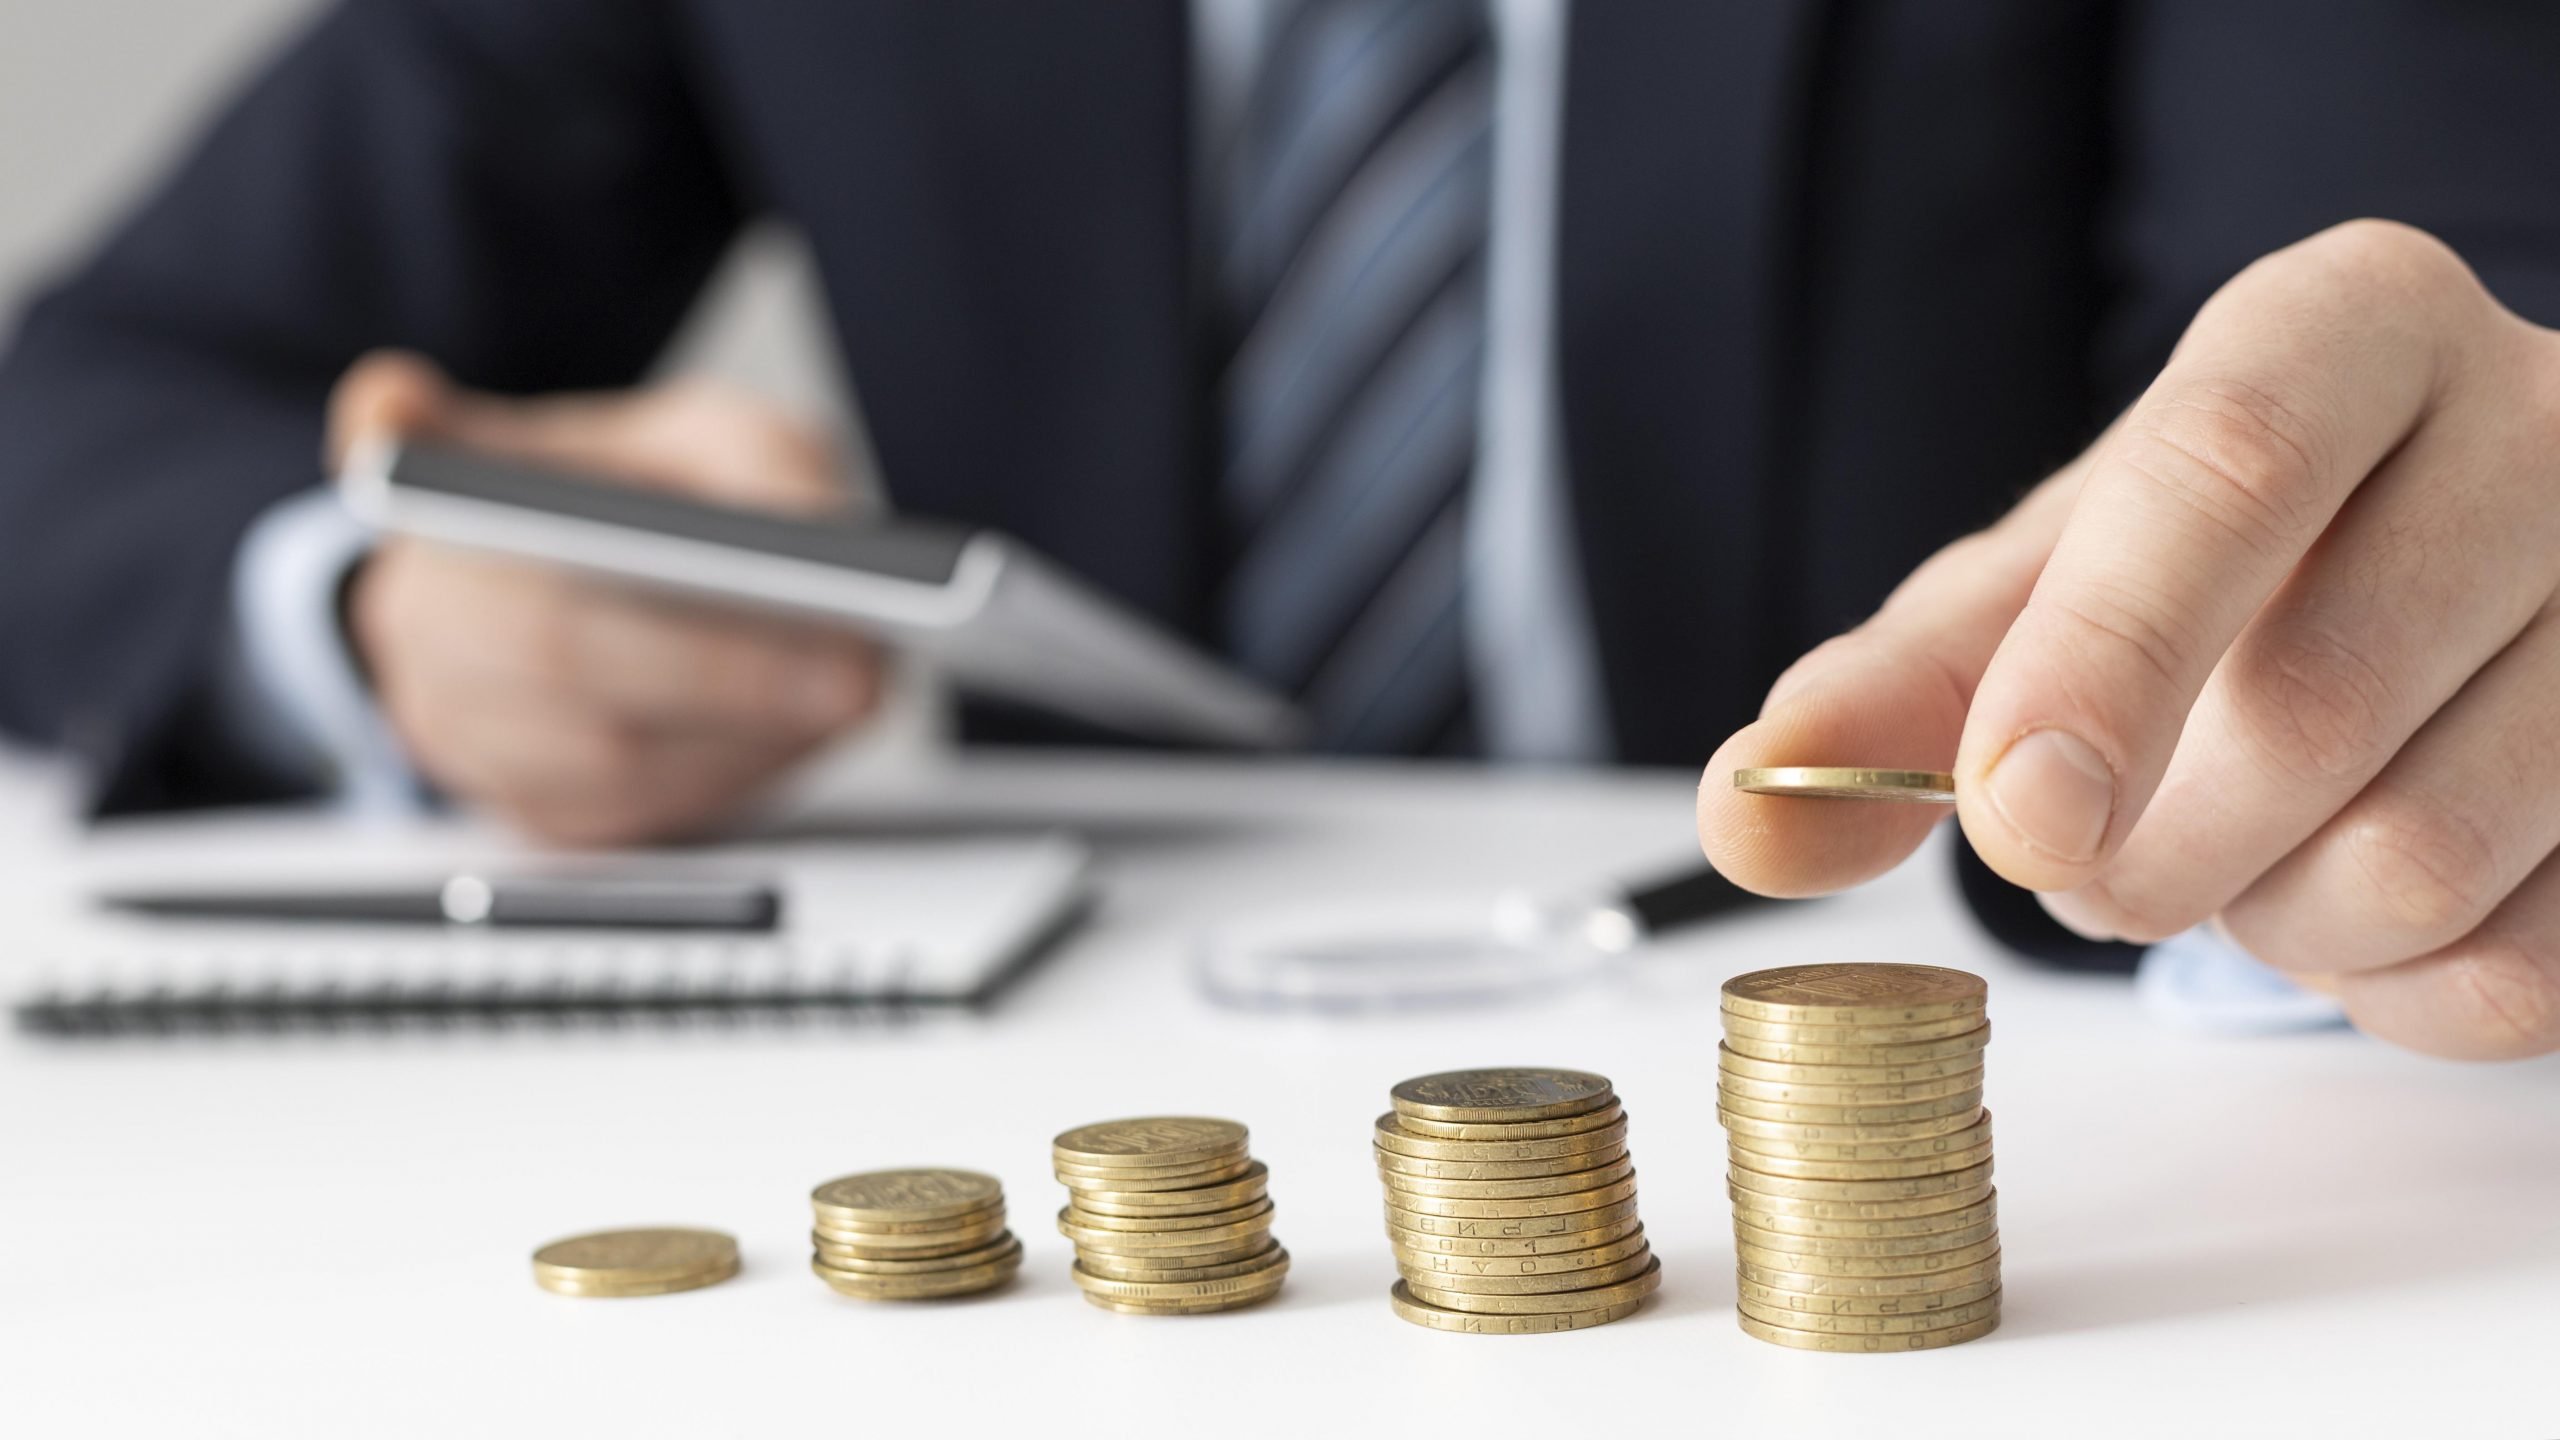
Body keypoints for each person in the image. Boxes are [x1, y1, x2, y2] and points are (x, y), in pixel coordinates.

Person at [0, 2, 2554, 1060]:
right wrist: (373, 598)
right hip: (1052, 1066)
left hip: (2036, 1071)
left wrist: (2451, 582)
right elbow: (81, 406)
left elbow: (2437, 332)